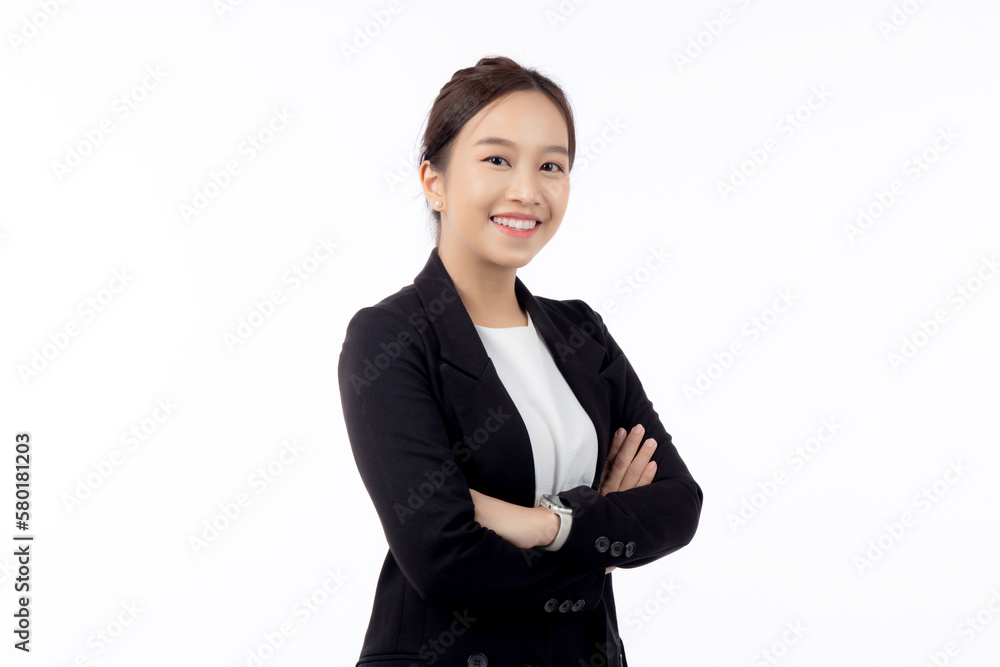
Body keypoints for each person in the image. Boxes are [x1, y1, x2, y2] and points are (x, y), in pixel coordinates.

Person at [338, 56, 703, 667]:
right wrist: (602, 539)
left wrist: (545, 525)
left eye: (551, 166)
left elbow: (678, 504)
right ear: (434, 181)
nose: (527, 191)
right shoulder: (391, 337)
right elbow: (441, 559)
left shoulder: (581, 332)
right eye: (497, 159)